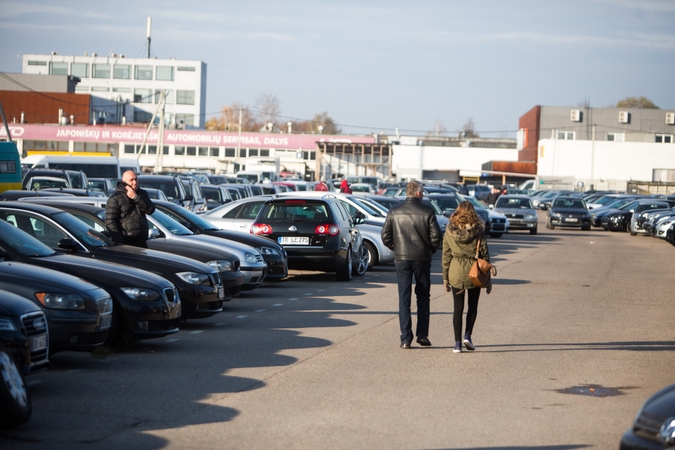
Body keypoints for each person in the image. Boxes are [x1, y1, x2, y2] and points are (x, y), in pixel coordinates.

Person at [381, 180, 442, 349]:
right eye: (422, 192)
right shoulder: (427, 211)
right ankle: (422, 335)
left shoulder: (394, 211)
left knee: (404, 298)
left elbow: (385, 236)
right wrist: (429, 249)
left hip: (401, 259)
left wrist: (397, 248)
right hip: (422, 259)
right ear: (417, 193)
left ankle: (405, 338)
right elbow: (436, 237)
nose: (423, 195)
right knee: (423, 296)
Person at [442, 200, 490, 353]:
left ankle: (457, 344)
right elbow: (485, 255)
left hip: (455, 271)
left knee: (458, 308)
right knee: (472, 306)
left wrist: (445, 277)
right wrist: (488, 280)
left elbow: (446, 255)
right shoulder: (479, 231)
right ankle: (467, 335)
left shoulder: (450, 231)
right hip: (474, 271)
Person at [105, 170, 155, 248]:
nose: (135, 182)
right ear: (124, 182)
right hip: (127, 242)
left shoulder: (142, 194)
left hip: (142, 242)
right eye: (131, 180)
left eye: (136, 179)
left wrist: (136, 197)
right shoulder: (115, 198)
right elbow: (110, 221)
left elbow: (150, 210)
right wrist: (119, 241)